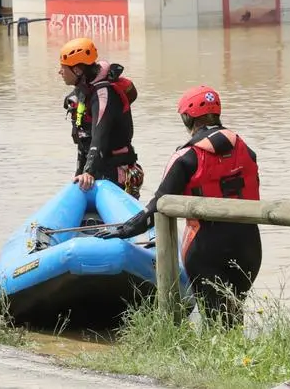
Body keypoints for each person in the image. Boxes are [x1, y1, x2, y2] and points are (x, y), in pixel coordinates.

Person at [96, 85, 262, 329]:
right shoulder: (247, 150)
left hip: (207, 246)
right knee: (234, 314)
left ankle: (216, 351)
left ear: (187, 117)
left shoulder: (186, 157)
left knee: (214, 318)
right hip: (248, 245)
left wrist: (123, 230)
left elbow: (157, 207)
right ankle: (239, 349)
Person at [58, 37, 144, 198]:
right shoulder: (83, 93)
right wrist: (80, 173)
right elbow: (84, 142)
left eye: (63, 67)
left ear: (77, 70)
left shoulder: (103, 94)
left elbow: (100, 136)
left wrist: (88, 172)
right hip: (99, 168)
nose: (60, 72)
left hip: (118, 172)